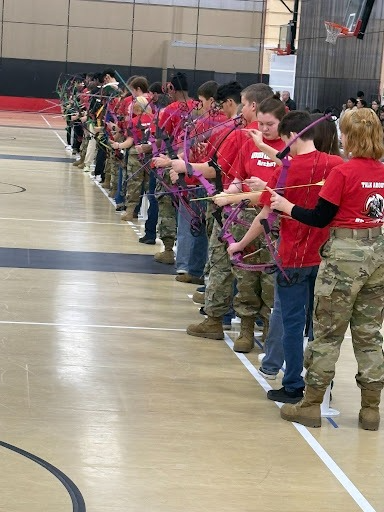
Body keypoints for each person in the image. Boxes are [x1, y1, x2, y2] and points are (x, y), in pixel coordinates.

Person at [266, 108, 384, 430]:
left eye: (344, 133)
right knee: (369, 335)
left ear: (352, 137)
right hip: (378, 254)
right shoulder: (382, 172)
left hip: (345, 256)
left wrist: (287, 207)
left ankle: (311, 404)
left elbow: (320, 217)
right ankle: (371, 410)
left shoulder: (343, 173)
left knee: (327, 334)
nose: (341, 138)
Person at [227, 111, 344, 403]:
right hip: (327, 259)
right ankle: (321, 385)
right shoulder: (338, 165)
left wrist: (239, 243)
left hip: (293, 258)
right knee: (322, 325)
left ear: (292, 137)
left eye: (284, 141)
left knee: (292, 324)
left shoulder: (287, 171)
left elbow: (265, 215)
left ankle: (293, 385)